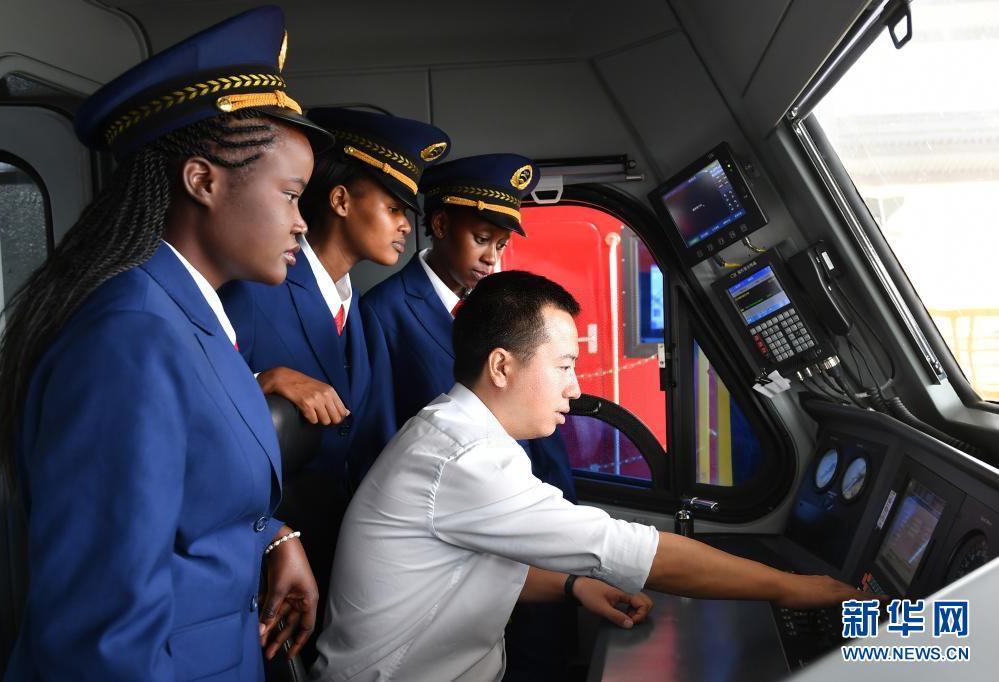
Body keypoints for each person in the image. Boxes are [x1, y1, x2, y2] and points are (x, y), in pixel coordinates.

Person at [312, 270, 869, 681]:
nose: (575, 388)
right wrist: (796, 589)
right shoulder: (465, 457)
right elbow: (633, 550)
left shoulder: (457, 432)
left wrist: (574, 585)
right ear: (502, 366)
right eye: (564, 366)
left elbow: (465, 570)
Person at [0, 7, 329, 679]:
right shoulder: (131, 338)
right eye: (291, 195)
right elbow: (101, 636)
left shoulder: (189, 315)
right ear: (202, 181)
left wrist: (271, 537)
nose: (301, 224)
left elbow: (188, 498)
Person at [219, 107, 450, 613]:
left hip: (342, 558)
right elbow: (199, 409)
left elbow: (374, 444)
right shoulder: (254, 288)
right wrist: (261, 380)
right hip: (262, 561)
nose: (405, 226)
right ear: (341, 201)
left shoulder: (362, 316)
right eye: (393, 208)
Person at [361, 154, 579, 679]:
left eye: (500, 245)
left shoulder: (498, 305)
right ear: (439, 225)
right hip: (458, 527)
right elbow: (381, 432)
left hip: (525, 512)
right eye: (481, 239)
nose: (491, 258)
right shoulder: (386, 311)